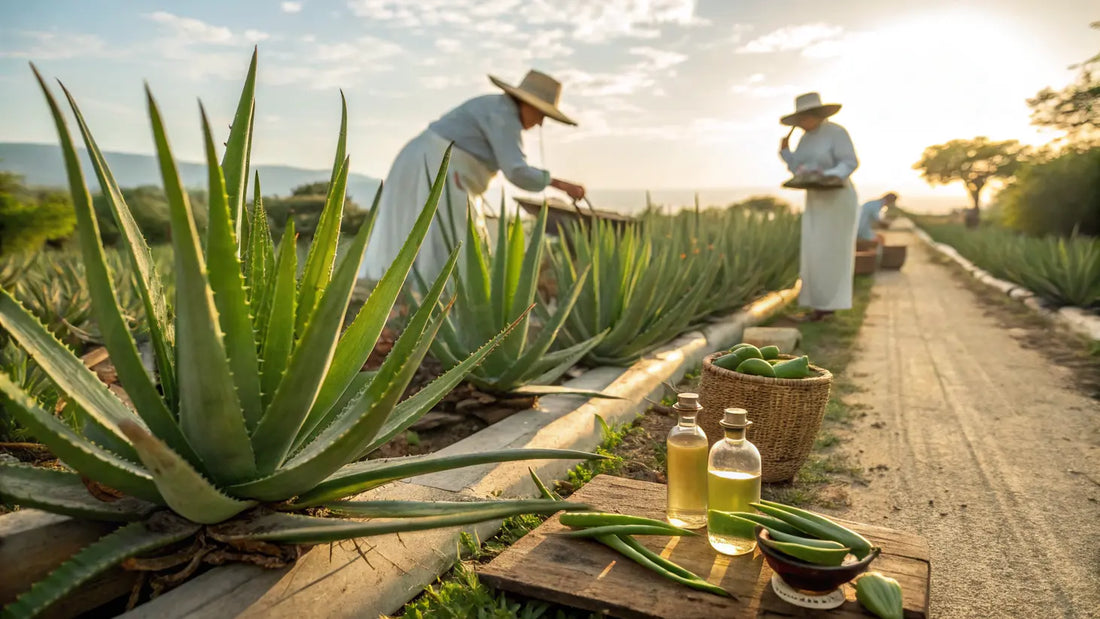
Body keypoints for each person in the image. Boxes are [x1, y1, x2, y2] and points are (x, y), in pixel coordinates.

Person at [360, 70, 586, 281]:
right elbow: (516, 171)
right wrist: (561, 185)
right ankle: (433, 300)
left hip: (422, 161)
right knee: (453, 239)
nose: (540, 122)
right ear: (527, 103)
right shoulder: (503, 115)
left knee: (425, 233)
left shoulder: (495, 108)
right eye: (540, 113)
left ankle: (412, 296)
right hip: (438, 165)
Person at [779, 92, 859, 322]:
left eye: (804, 118)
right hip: (816, 200)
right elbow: (798, 169)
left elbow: (849, 162)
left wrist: (827, 175)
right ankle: (817, 306)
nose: (802, 124)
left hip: (838, 199)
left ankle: (829, 308)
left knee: (833, 253)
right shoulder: (804, 139)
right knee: (814, 253)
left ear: (814, 115)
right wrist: (786, 153)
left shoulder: (836, 133)